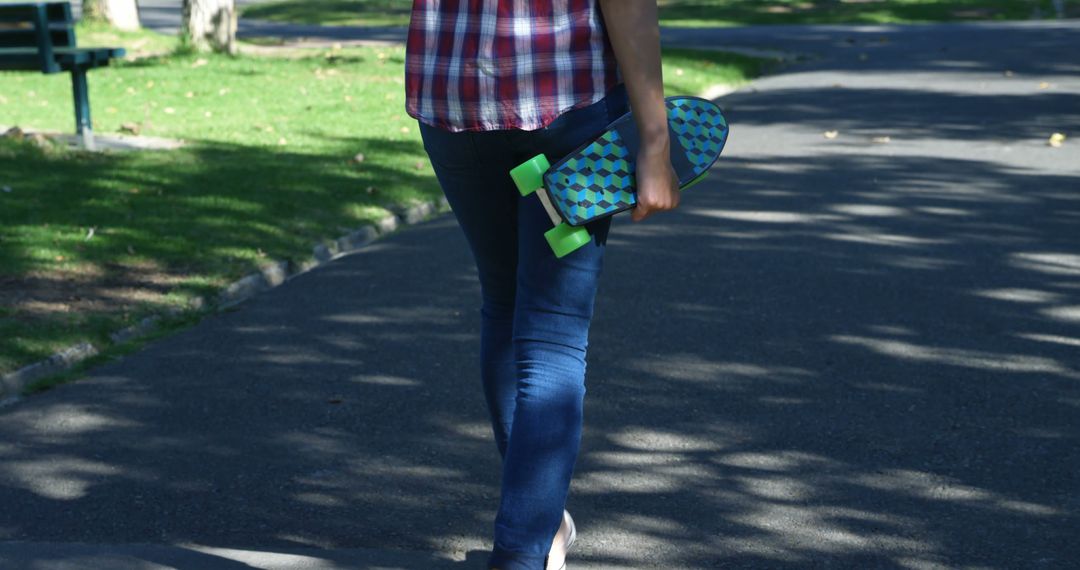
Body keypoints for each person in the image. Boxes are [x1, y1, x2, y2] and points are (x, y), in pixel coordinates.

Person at [405, 1, 678, 569]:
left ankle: (539, 527)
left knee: (505, 305)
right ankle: (523, 551)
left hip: (452, 101)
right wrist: (655, 140)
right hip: (566, 108)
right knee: (552, 333)